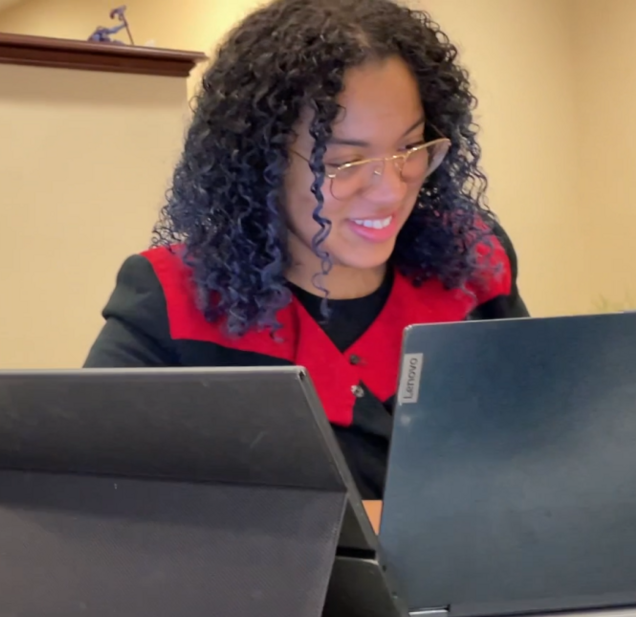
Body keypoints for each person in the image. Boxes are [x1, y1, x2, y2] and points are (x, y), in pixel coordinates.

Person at [83, 0, 528, 503]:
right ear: (262, 162)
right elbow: (92, 497)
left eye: (410, 148)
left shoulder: (470, 261)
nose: (390, 190)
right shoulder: (174, 301)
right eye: (345, 161)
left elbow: (536, 448)